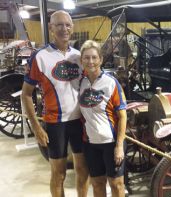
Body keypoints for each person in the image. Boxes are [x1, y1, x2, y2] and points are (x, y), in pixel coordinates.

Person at [22, 10, 89, 197]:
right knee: (58, 174)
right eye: (59, 25)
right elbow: (26, 94)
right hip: (54, 123)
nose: (64, 29)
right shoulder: (40, 56)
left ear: (72, 28)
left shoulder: (79, 56)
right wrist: (36, 128)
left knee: (83, 171)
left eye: (68, 25)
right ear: (51, 28)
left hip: (79, 122)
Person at [79, 40, 127, 197]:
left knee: (116, 184)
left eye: (94, 57)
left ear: (100, 59)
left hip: (111, 142)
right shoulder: (81, 83)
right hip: (91, 143)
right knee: (97, 183)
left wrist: (119, 146)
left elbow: (122, 115)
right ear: (81, 60)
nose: (90, 61)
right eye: (86, 58)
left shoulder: (111, 83)